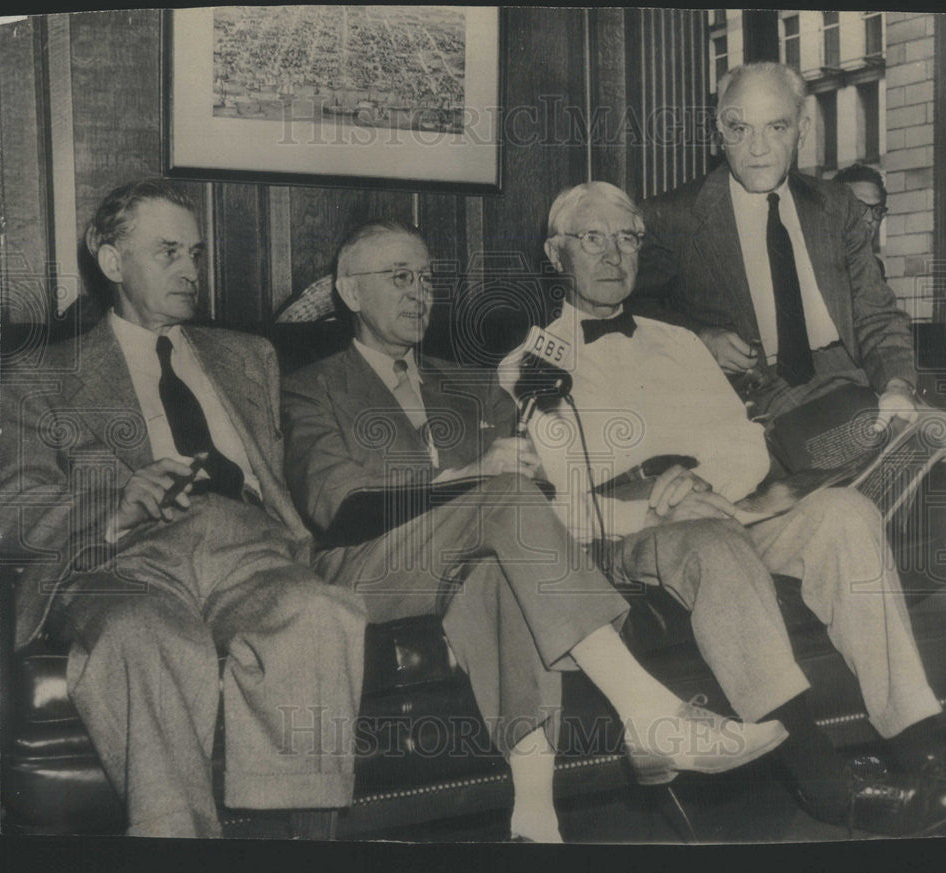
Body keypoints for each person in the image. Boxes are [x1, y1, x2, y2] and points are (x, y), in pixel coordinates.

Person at [280, 219, 787, 843]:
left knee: (499, 569)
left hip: (475, 556)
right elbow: (338, 503)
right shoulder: (310, 387)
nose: (419, 293)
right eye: (400, 278)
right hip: (366, 566)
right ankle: (647, 711)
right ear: (352, 293)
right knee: (504, 505)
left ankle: (534, 820)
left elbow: (537, 497)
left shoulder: (467, 381)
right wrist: (469, 475)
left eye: (428, 278)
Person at [521, 179, 946, 836]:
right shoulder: (530, 366)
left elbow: (746, 444)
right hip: (636, 536)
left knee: (844, 513)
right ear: (558, 253)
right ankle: (823, 781)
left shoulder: (682, 343)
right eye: (593, 238)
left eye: (628, 237)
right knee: (714, 544)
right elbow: (553, 504)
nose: (614, 254)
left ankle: (919, 744)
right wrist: (652, 498)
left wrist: (697, 479)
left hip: (726, 509)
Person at [0, 179, 367, 838]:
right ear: (112, 262)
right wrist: (115, 501)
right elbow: (16, 511)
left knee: (321, 610)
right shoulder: (40, 375)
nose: (190, 271)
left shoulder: (248, 355)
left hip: (249, 548)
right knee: (146, 634)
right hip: (128, 558)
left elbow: (291, 479)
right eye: (168, 252)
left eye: (195, 253)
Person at [634, 62, 946, 471]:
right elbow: (629, 315)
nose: (757, 148)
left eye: (777, 127)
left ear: (803, 130)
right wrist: (700, 338)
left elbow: (876, 315)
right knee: (886, 473)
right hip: (771, 402)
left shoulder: (837, 207)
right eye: (740, 128)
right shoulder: (672, 216)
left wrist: (896, 386)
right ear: (719, 130)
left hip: (862, 382)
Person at [832, 162, 889, 271]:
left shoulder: (876, 267)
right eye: (859, 207)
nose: (869, 219)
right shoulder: (811, 262)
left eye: (877, 210)